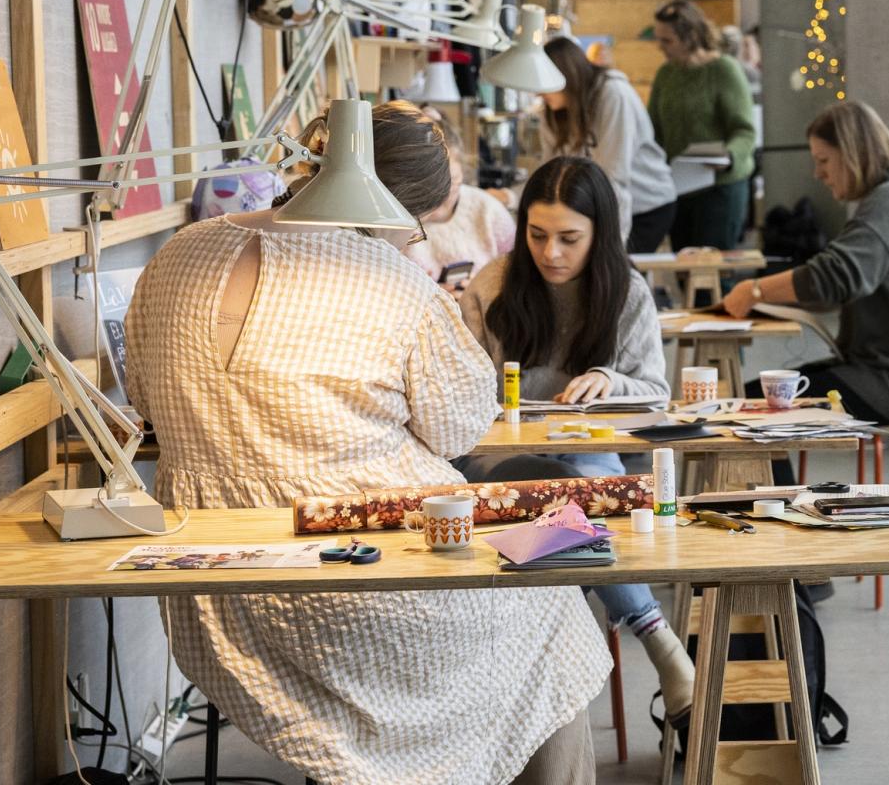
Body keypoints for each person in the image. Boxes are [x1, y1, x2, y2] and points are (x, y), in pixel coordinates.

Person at [124, 102, 608, 784]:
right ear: (390, 210)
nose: (415, 243)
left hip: (219, 581)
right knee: (552, 601)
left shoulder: (179, 253)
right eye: (419, 226)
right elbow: (459, 426)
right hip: (361, 572)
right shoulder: (389, 282)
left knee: (545, 532)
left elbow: (145, 399)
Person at [456, 156, 697, 722]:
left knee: (580, 481)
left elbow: (654, 394)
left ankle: (559, 687)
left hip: (586, 453)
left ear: (600, 235)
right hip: (500, 460)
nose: (551, 254)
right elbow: (463, 394)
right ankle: (658, 639)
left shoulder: (626, 292)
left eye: (570, 238)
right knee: (575, 495)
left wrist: (609, 380)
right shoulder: (493, 285)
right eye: (537, 236)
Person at [723, 101, 889, 425]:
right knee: (761, 397)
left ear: (853, 154)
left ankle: (770, 479)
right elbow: (838, 282)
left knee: (755, 409)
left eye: (824, 160)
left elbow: (835, 277)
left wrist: (755, 290)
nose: (818, 173)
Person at [541, 36, 678, 251]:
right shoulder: (553, 109)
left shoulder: (613, 94)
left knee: (612, 277)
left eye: (544, 83)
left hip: (646, 207)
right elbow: (549, 173)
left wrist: (614, 249)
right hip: (600, 209)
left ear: (566, 76)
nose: (538, 92)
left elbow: (614, 178)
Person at [646, 0, 757, 249]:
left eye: (667, 40)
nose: (660, 47)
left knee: (713, 272)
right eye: (658, 39)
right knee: (684, 270)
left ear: (690, 37)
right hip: (679, 186)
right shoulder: (666, 74)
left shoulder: (724, 70)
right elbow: (652, 130)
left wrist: (728, 155)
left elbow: (744, 130)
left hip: (720, 188)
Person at [403, 108, 515, 291]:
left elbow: (518, 277)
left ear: (462, 173)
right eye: (430, 186)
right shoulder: (397, 223)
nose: (442, 195)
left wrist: (482, 293)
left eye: (452, 182)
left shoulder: (488, 211)